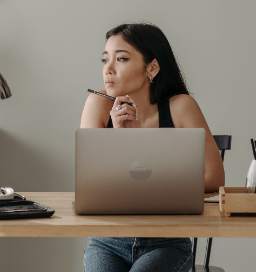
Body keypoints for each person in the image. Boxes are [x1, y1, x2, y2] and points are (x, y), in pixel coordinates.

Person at [80, 23, 225, 272]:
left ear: (153, 67)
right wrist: (117, 137)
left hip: (166, 241)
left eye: (122, 59)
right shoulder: (98, 104)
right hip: (107, 240)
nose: (109, 69)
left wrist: (146, 184)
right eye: (105, 60)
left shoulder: (180, 107)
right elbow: (89, 183)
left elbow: (214, 178)